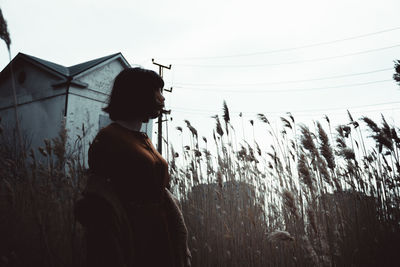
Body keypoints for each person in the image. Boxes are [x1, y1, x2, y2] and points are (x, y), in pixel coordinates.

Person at [75, 68, 191, 267]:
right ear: (138, 94)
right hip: (135, 239)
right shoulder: (109, 138)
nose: (163, 99)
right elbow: (99, 195)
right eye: (157, 91)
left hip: (160, 237)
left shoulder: (143, 139)